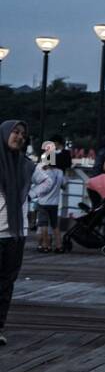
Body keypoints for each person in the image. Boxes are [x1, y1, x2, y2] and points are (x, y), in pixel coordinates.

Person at [0, 120, 35, 347]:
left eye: (23, 134)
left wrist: (27, 198)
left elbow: (48, 180)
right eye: (15, 132)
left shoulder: (26, 165)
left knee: (6, 282)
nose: (19, 136)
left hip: (15, 234)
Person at [30, 150, 66, 254]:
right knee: (55, 225)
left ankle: (46, 246)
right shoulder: (59, 172)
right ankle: (59, 246)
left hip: (43, 203)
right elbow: (64, 184)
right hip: (54, 203)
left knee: (44, 225)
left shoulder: (42, 172)